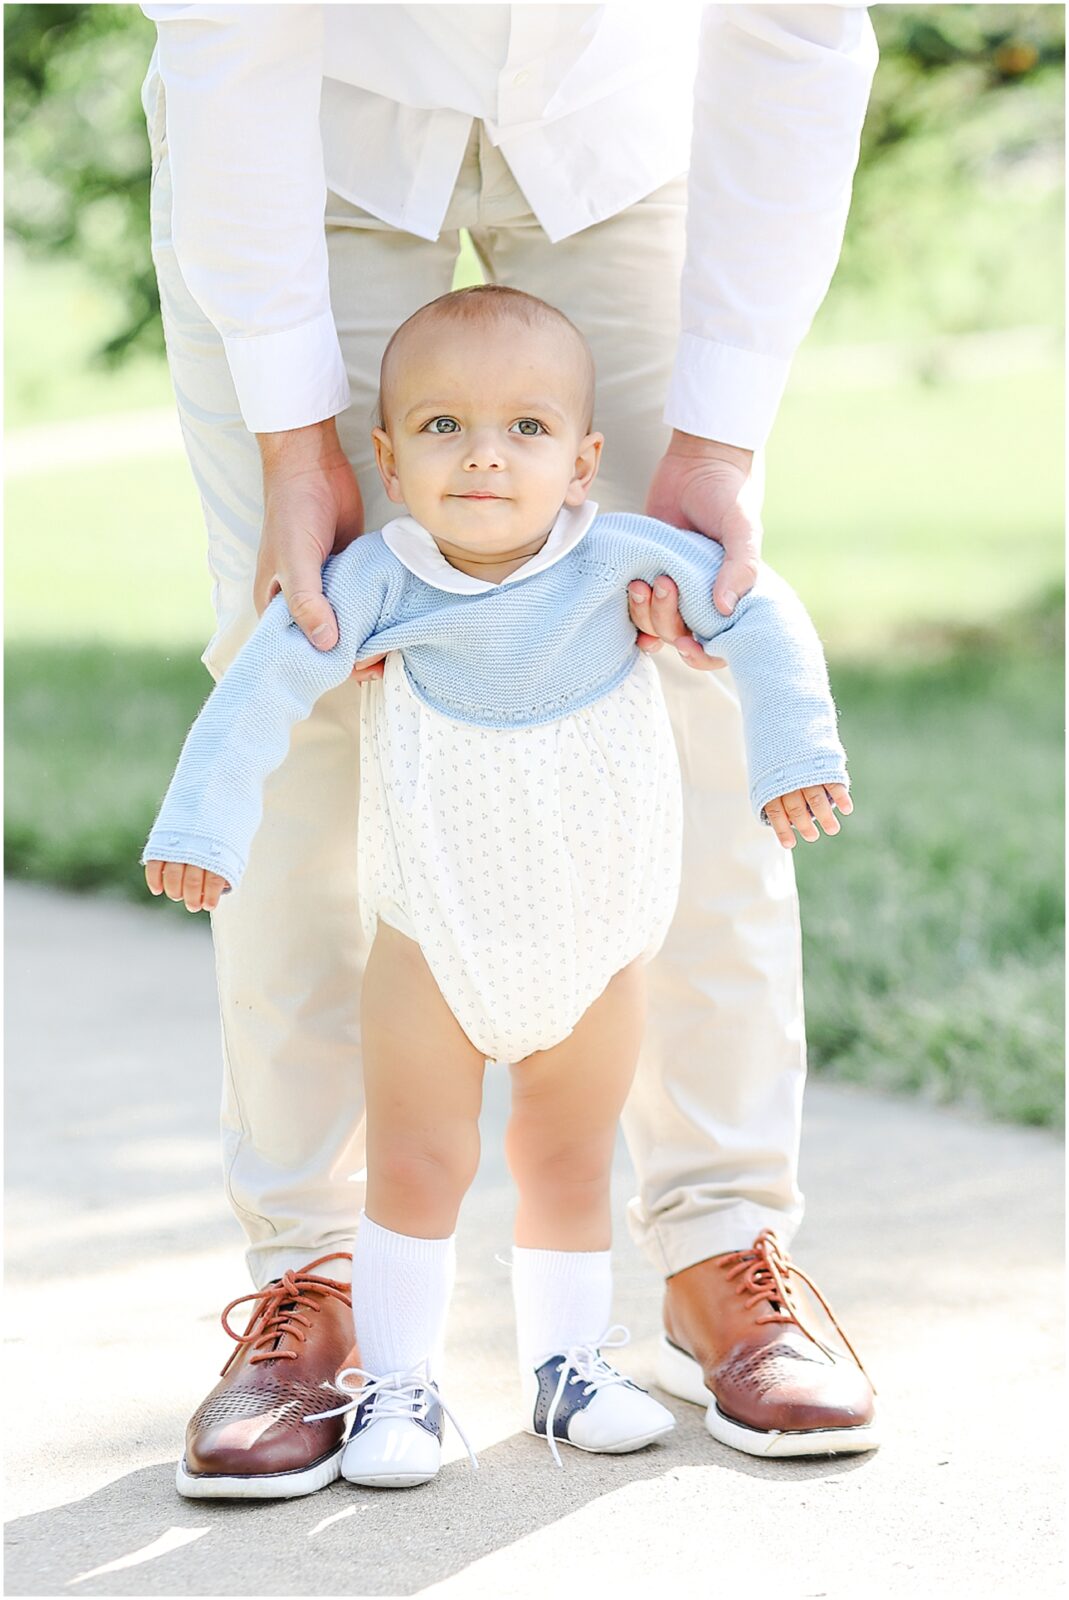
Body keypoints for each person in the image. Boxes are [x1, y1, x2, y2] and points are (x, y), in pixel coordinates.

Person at [138, 3, 880, 1497]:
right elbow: (228, 36)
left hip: (632, 134)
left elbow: (797, 31)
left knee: (686, 651)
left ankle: (719, 1246)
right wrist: (298, 443)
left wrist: (720, 443)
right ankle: (317, 1284)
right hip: (308, 127)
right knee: (308, 659)